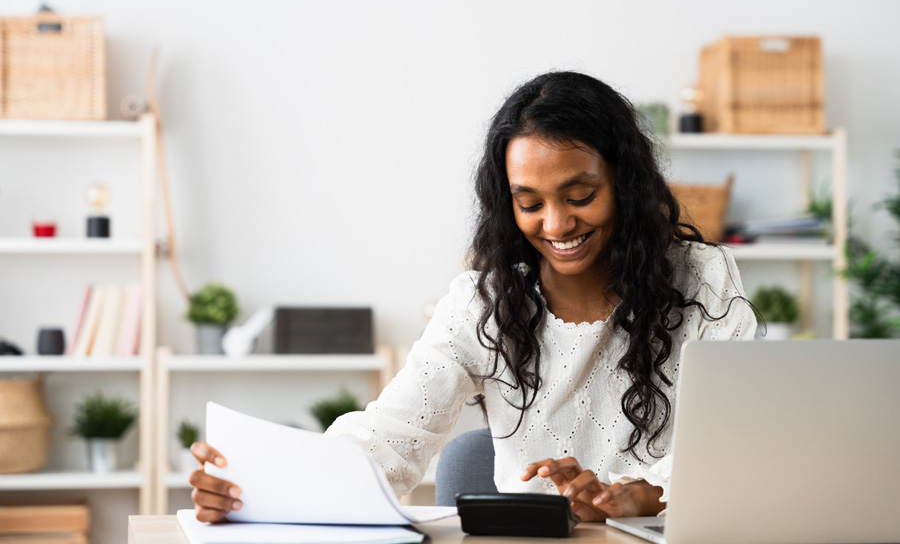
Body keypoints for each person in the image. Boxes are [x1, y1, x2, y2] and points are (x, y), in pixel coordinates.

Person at [189, 71, 757, 523]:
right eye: (530, 203)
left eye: (580, 195)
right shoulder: (484, 302)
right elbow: (391, 437)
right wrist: (254, 489)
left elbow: (743, 441)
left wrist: (641, 496)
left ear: (624, 184)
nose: (557, 223)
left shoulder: (702, 282)